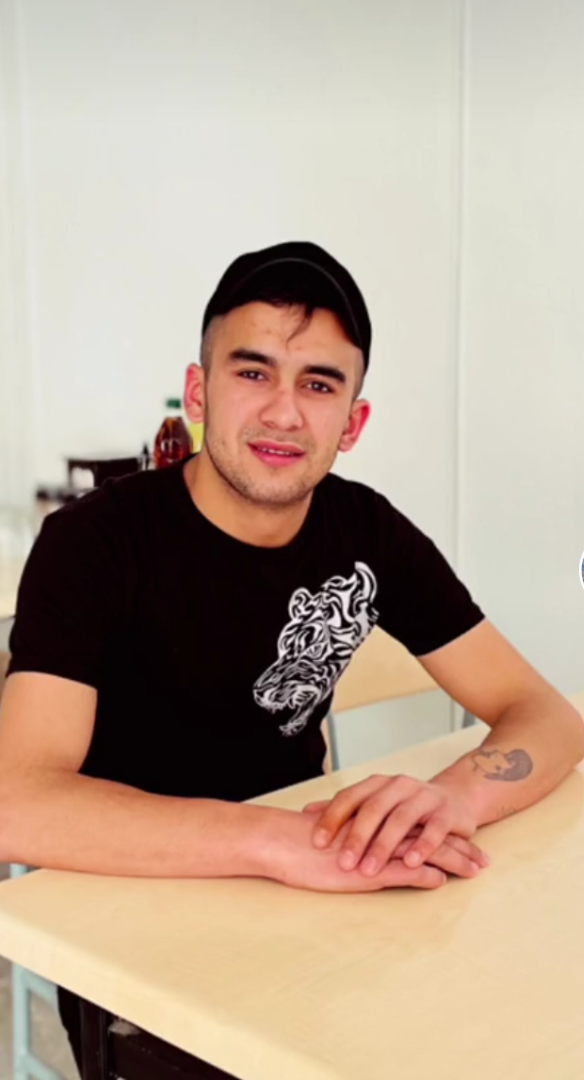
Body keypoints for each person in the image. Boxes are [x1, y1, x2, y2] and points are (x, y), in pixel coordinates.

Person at [1, 241, 582, 1073]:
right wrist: (275, 842)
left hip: (321, 904)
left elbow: (550, 717)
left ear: (353, 421)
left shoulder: (367, 532)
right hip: (136, 926)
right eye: (253, 372)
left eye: (318, 384)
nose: (283, 413)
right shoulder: (92, 544)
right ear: (198, 393)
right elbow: (16, 805)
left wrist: (451, 799)